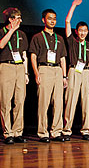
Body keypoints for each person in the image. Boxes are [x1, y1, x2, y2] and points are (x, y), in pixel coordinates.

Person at [29, 9, 68, 143]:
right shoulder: (37, 37)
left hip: (57, 70)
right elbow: (33, 56)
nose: (52, 20)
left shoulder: (60, 38)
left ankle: (56, 132)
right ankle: (43, 132)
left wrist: (64, 76)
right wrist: (36, 73)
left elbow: (63, 58)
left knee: (58, 103)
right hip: (44, 69)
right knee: (43, 103)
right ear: (43, 20)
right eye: (49, 18)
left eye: (54, 18)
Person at [0, 7, 29, 144]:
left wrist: (26, 73)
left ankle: (17, 132)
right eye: (18, 17)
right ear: (10, 19)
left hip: (20, 67)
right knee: (6, 101)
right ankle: (7, 133)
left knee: (20, 101)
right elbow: (1, 45)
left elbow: (24, 54)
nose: (21, 20)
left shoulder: (23, 34)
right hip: (6, 66)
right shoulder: (0, 32)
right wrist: (12, 30)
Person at [63, 0, 89, 141]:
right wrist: (73, 6)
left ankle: (86, 130)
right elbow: (67, 22)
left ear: (87, 32)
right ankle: (66, 130)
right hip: (74, 72)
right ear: (77, 31)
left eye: (85, 31)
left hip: (86, 73)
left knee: (86, 103)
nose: (82, 33)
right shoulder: (72, 41)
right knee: (70, 101)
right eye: (80, 31)